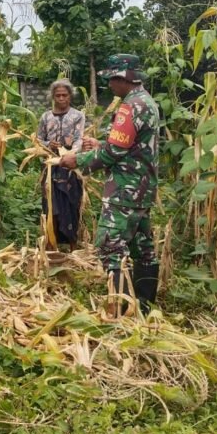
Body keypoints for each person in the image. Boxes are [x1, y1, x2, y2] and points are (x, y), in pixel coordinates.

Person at [60, 54, 160, 313]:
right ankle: (145, 307)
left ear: (123, 78)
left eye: (112, 80)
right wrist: (103, 144)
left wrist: (77, 160)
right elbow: (129, 146)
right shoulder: (146, 101)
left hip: (125, 189)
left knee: (109, 245)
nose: (110, 86)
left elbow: (113, 154)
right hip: (142, 187)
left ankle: (122, 310)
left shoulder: (130, 106)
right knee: (143, 247)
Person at [36, 79, 85, 250]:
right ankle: (51, 246)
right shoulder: (45, 117)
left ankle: (72, 246)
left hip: (71, 166)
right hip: (50, 167)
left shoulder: (77, 116)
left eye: (65, 95)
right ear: (53, 97)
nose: (61, 98)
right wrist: (48, 145)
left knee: (71, 203)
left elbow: (80, 138)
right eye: (58, 95)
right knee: (51, 205)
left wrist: (71, 154)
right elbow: (38, 139)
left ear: (70, 96)